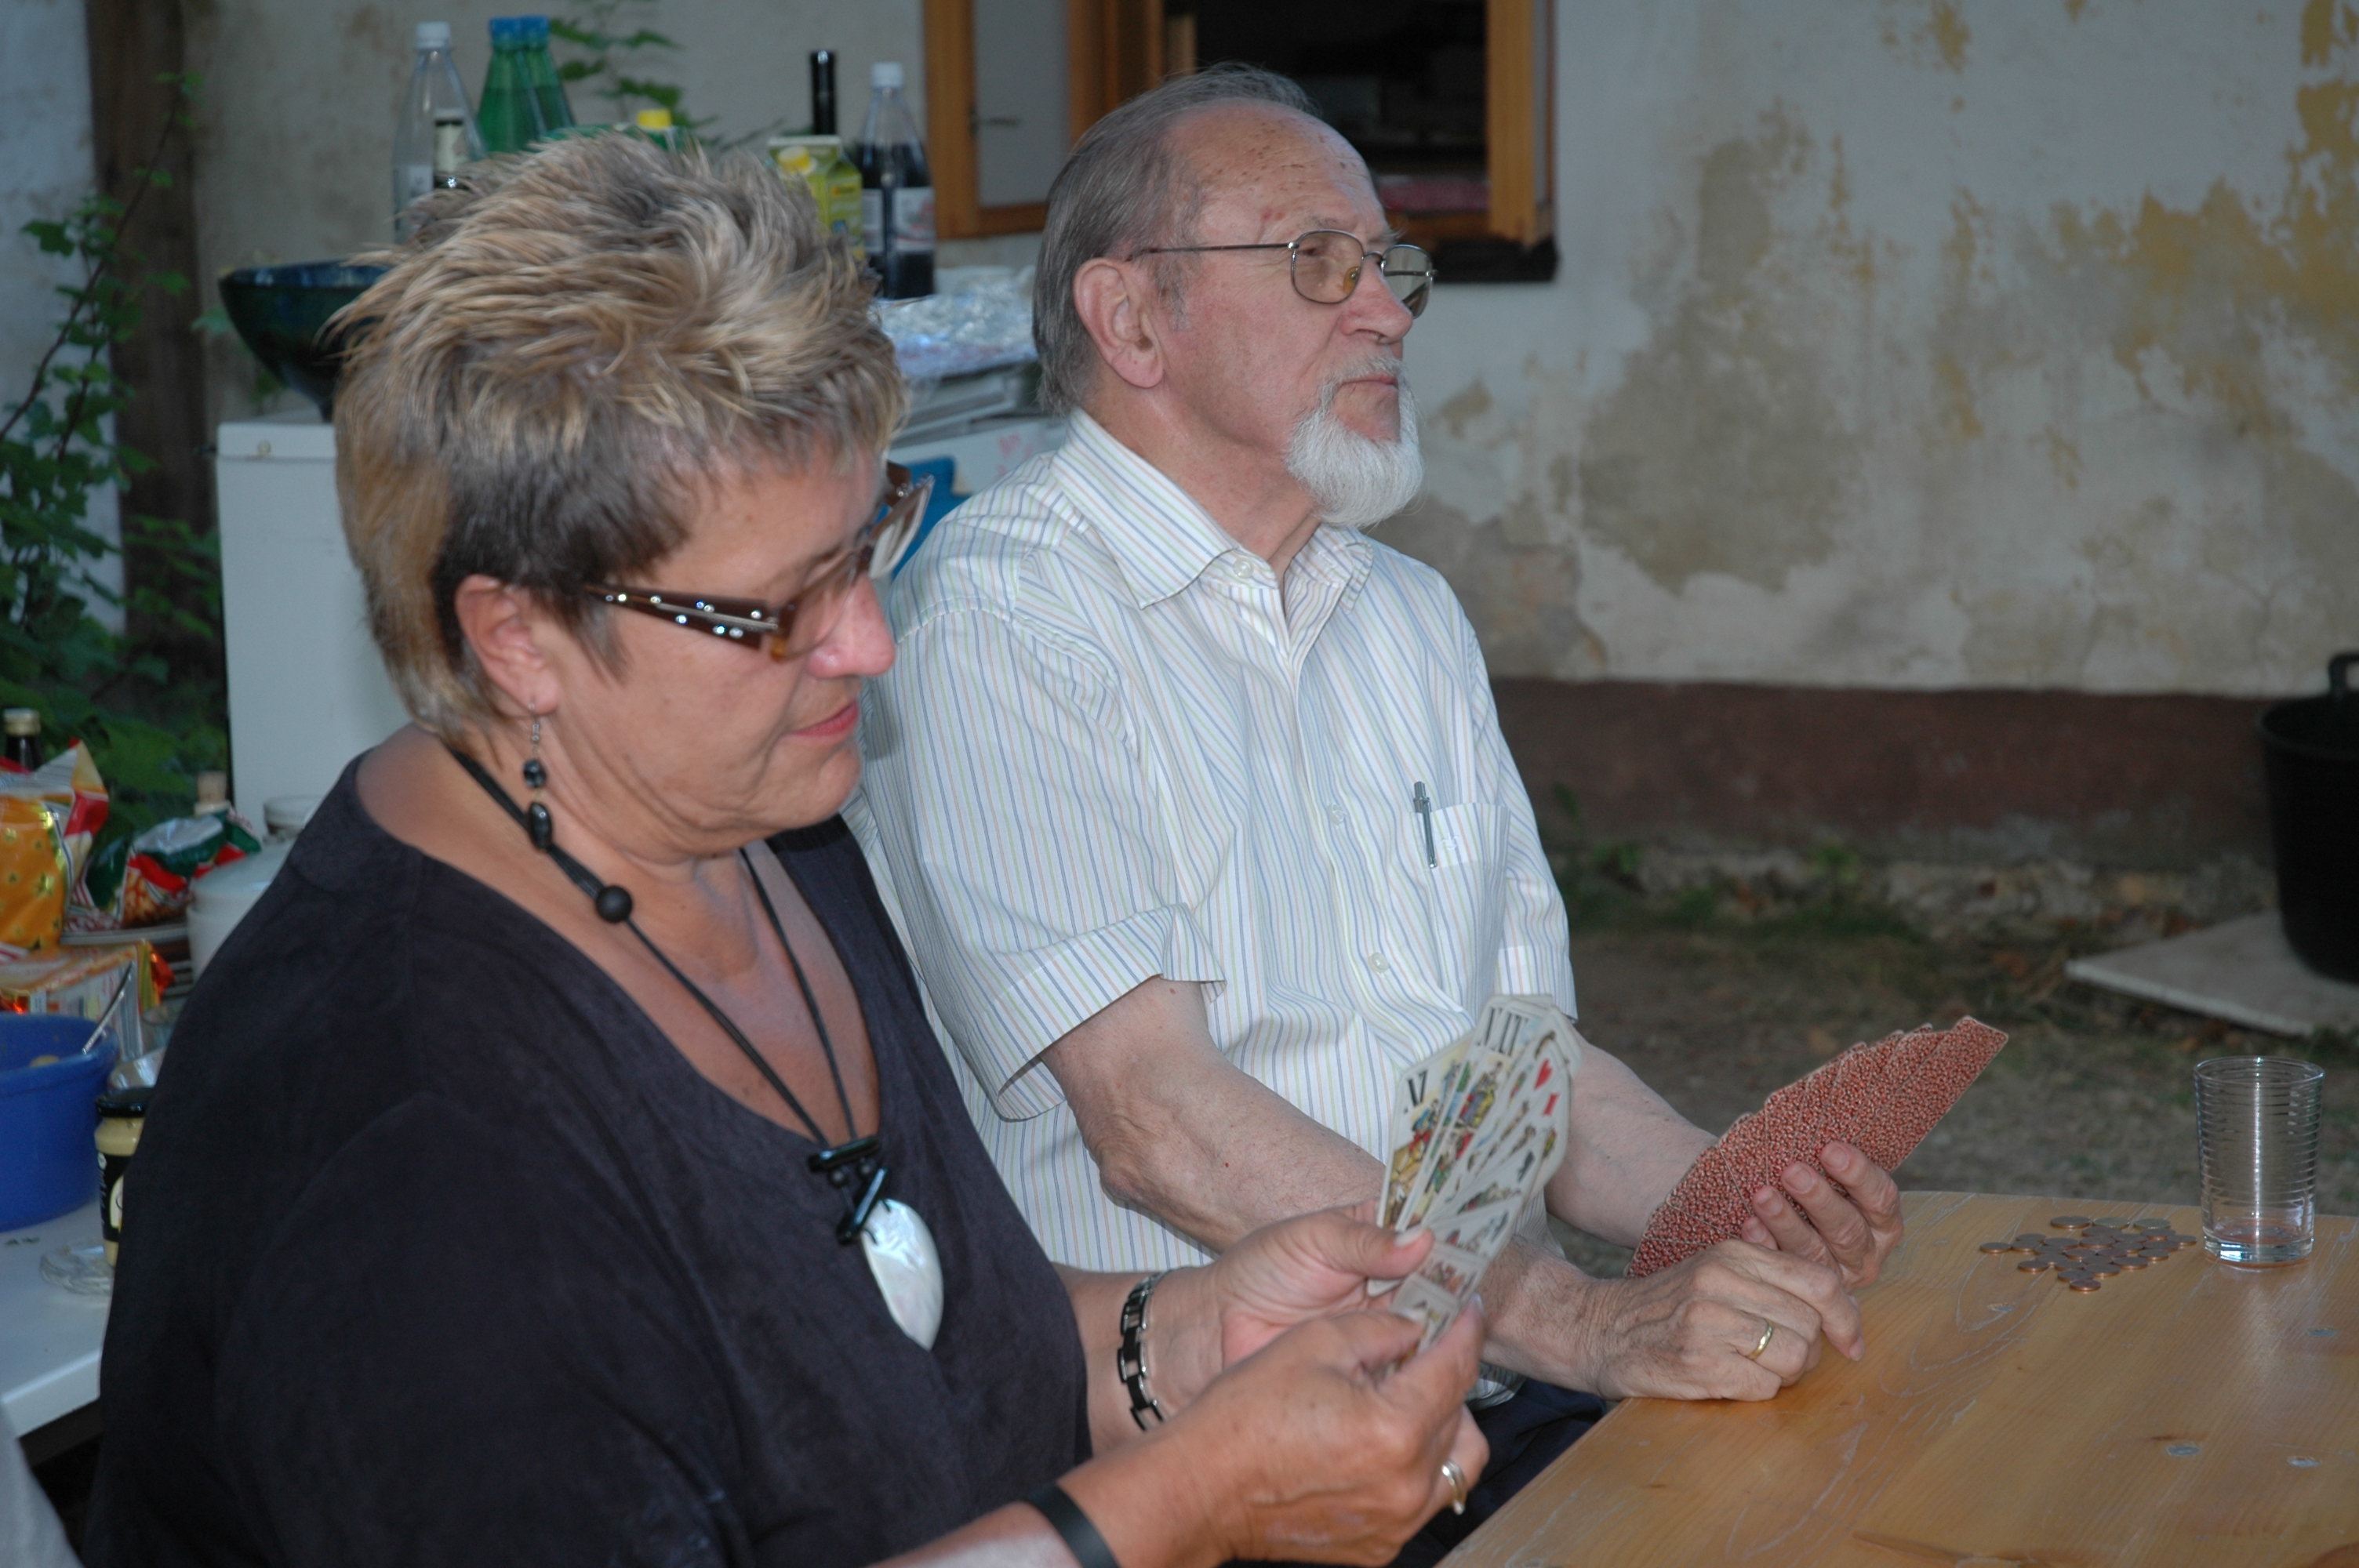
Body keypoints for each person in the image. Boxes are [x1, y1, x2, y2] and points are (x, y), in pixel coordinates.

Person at [82, 133, 1488, 1568]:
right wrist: (1191, 1498)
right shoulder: (411, 1138)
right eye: (778, 609)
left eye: (870, 543)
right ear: (519, 636)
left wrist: (1182, 1340)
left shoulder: (761, 831)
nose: (869, 644)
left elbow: (905, 1345)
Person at [849, 64, 1905, 1524]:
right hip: (1212, 1461)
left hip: (1480, 1393)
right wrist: (1584, 1324)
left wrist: (1741, 1205)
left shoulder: (1404, 615)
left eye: (1391, 267)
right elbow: (1154, 1122)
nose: (1391, 313)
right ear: (1132, 319)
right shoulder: (999, 623)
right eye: (1317, 262)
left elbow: (1527, 1074)